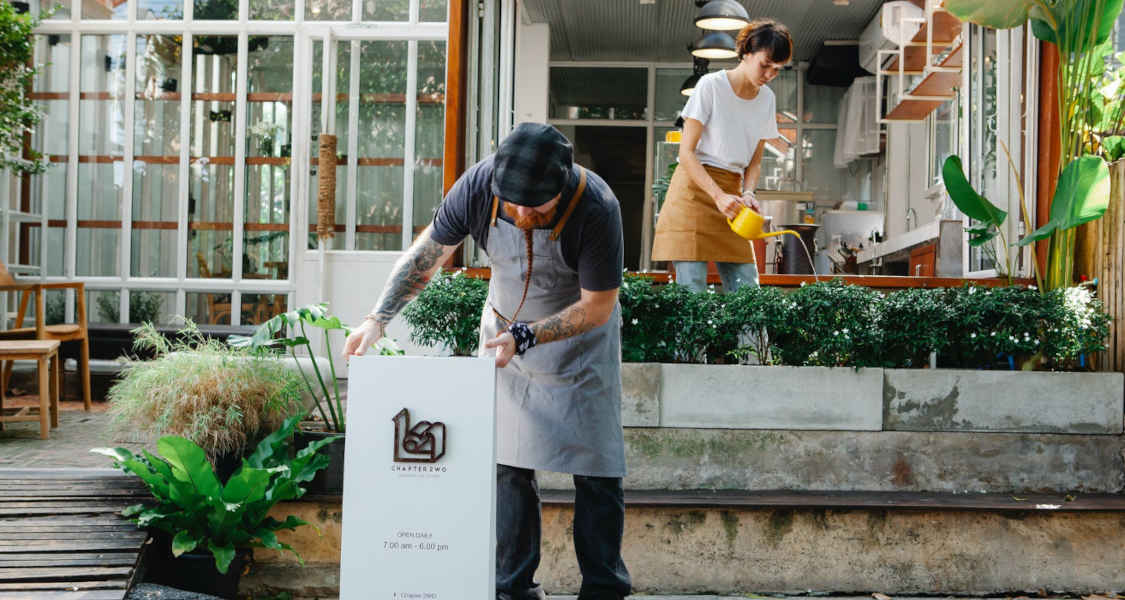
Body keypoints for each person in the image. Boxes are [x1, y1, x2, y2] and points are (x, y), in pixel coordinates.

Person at [343, 123, 631, 600]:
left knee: (598, 471)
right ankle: (512, 589)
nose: (519, 213)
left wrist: (531, 335)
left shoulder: (597, 207)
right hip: (504, 342)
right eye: (512, 202)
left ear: (561, 186)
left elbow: (598, 305)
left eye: (534, 205)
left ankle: (604, 588)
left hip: (580, 343)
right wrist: (378, 318)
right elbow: (427, 257)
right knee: (507, 466)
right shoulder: (478, 187)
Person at [651, 18, 794, 292]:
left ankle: (754, 340)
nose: (769, 75)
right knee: (693, 295)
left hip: (733, 197)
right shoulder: (710, 86)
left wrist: (749, 192)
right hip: (695, 192)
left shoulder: (767, 99)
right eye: (765, 65)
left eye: (777, 70)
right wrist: (717, 196)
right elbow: (686, 153)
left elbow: (754, 160)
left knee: (747, 293)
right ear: (746, 53)